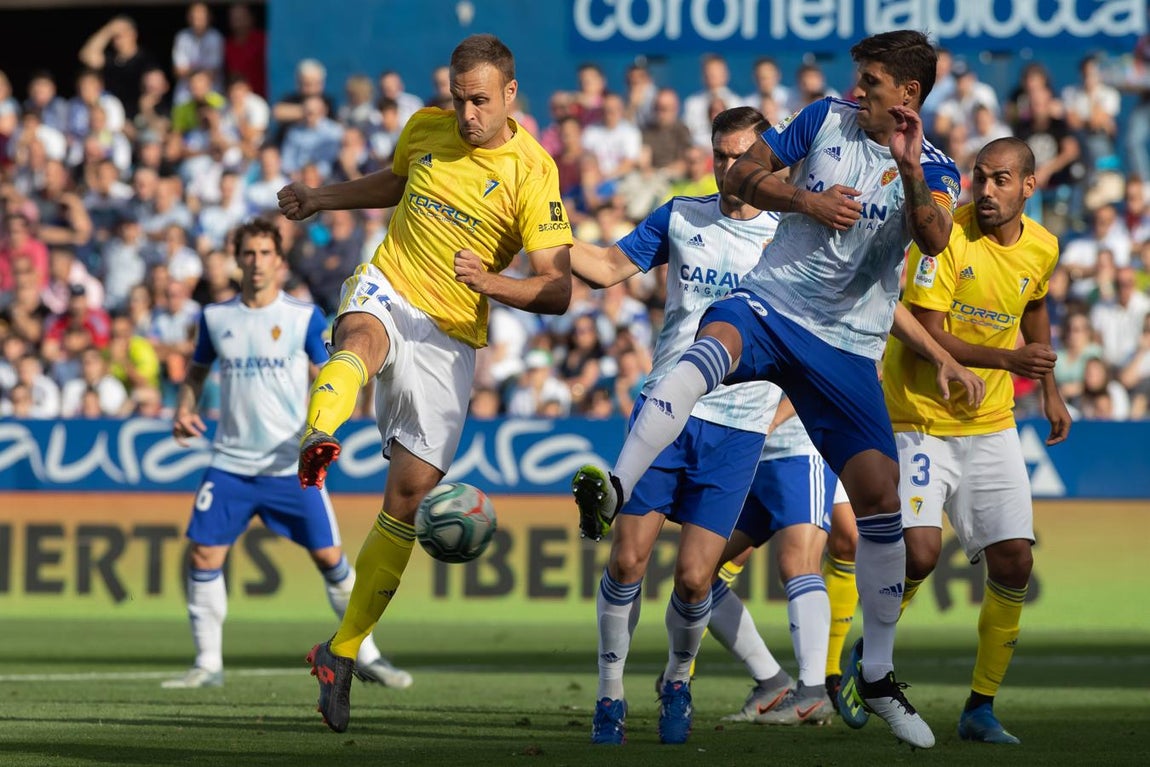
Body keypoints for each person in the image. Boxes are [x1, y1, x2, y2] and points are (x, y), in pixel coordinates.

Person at [572, 30, 971, 750]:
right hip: (773, 304)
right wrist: (803, 201)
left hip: (846, 346)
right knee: (709, 345)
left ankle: (875, 675)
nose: (861, 91)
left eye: (874, 82)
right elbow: (743, 178)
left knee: (881, 502)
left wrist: (909, 169)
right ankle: (616, 482)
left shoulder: (939, 168)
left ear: (908, 95)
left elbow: (936, 237)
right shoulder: (824, 119)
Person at [276, 34, 573, 734]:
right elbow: (397, 179)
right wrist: (322, 199)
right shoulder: (426, 128)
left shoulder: (534, 172)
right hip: (391, 285)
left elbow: (558, 290)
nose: (465, 113)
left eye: (478, 100)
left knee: (407, 497)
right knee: (358, 339)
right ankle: (321, 430)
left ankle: (340, 652)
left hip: (452, 333)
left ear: (509, 96)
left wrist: (491, 282)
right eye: (456, 97)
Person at [570, 106, 783, 745]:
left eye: (740, 156)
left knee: (696, 578)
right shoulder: (682, 217)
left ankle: (677, 679)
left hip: (738, 428)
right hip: (665, 412)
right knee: (628, 559)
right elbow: (607, 267)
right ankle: (609, 697)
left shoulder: (789, 236)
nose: (727, 168)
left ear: (767, 159)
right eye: (719, 155)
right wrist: (542, 233)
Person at [165, 218, 412, 691]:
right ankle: (208, 663)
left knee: (332, 560)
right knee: (203, 555)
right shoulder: (216, 318)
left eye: (264, 254)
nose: (256, 262)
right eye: (248, 254)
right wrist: (184, 408)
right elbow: (196, 373)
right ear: (237, 260)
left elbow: (332, 373)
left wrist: (328, 424)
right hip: (231, 463)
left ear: (278, 261)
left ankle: (370, 656)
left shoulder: (302, 317)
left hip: (288, 465)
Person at [880, 137, 1071, 744]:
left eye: (1001, 181)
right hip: (920, 417)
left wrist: (1049, 388)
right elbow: (930, 335)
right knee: (920, 555)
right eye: (979, 178)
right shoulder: (944, 239)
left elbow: (1034, 307)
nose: (986, 192)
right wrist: (1013, 358)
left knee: (1015, 560)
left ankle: (979, 708)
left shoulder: (1044, 247)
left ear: (1028, 187)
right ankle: (872, 659)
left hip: (990, 423)